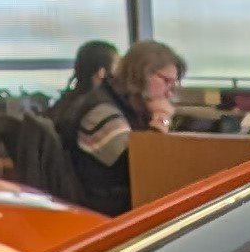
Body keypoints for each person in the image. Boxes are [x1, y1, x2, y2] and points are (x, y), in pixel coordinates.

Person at [70, 39, 184, 212]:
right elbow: (143, 167)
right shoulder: (101, 110)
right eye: (166, 81)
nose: (170, 91)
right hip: (108, 213)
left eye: (174, 83)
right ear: (140, 74)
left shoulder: (130, 106)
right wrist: (162, 118)